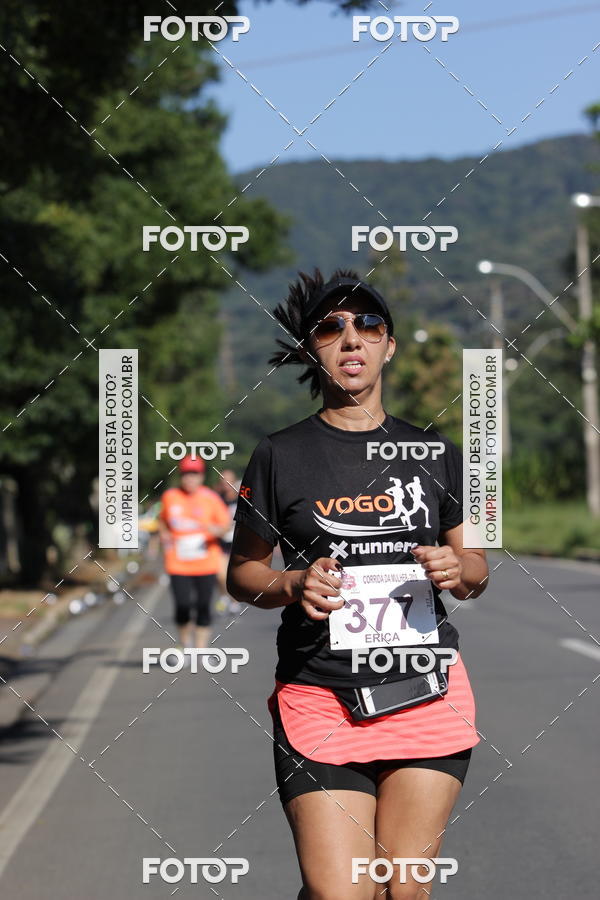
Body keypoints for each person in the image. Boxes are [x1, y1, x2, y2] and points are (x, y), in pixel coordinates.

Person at [227, 269, 489, 900]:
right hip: (321, 693)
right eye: (331, 327)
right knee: (341, 891)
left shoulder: (435, 451)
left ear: (387, 346)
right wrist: (293, 584)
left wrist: (459, 571)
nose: (351, 339)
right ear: (311, 349)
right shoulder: (280, 454)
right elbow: (243, 574)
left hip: (425, 689)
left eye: (368, 325)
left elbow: (476, 568)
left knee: (402, 889)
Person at [159, 456, 231, 649]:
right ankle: (185, 644)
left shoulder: (211, 498)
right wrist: (164, 534)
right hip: (178, 563)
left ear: (201, 476)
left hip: (206, 562)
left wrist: (216, 530)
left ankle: (200, 649)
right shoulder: (170, 497)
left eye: (194, 474)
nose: (190, 478)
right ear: (181, 476)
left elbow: (225, 525)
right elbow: (162, 521)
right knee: (182, 606)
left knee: (203, 607)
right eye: (186, 474)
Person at [213, 469, 241, 615]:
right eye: (223, 480)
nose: (226, 483)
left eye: (229, 480)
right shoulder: (217, 499)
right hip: (221, 542)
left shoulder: (242, 498)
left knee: (235, 575)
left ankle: (235, 601)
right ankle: (224, 596)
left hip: (238, 542)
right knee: (221, 574)